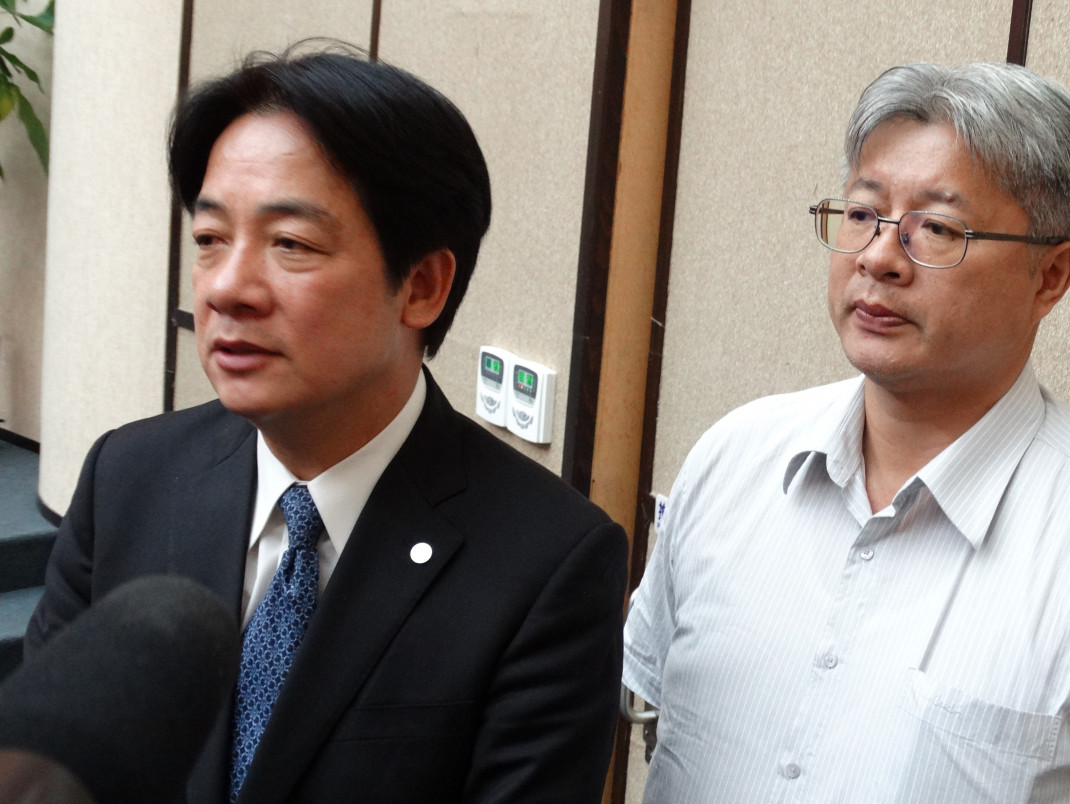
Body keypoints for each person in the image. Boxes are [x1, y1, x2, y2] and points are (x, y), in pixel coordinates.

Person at [27, 48, 628, 804]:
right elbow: (45, 768)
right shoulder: (128, 477)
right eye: (210, 239)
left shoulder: (549, 563)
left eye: (291, 245)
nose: (227, 289)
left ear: (422, 286)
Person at [623, 62, 1070, 802]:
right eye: (863, 214)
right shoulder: (736, 457)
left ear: (1051, 276)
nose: (877, 258)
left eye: (937, 229)